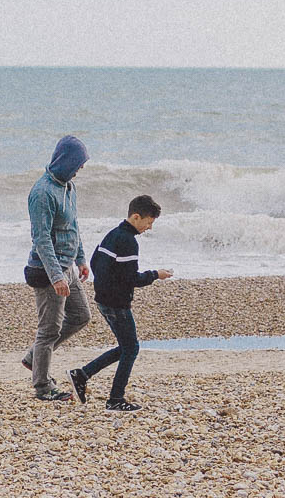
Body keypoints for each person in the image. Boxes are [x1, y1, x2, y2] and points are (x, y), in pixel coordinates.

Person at [69, 194, 172, 411]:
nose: (149, 228)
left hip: (104, 300)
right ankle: (115, 399)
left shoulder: (113, 234)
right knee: (131, 348)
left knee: (127, 347)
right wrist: (156, 274)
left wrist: (106, 285)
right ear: (136, 217)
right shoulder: (128, 241)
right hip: (116, 303)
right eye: (149, 222)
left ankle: (82, 374)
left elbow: (96, 262)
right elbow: (132, 279)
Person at [21, 134, 91, 401]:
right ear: (65, 160)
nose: (80, 169)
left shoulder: (68, 188)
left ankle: (33, 358)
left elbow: (72, 227)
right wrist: (56, 276)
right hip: (47, 271)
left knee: (81, 316)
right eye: (78, 163)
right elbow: (41, 239)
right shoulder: (41, 193)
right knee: (48, 330)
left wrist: (81, 259)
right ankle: (42, 386)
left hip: (68, 268)